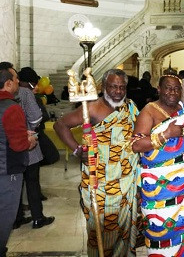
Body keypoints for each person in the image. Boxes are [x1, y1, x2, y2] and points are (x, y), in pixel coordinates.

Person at [54, 69, 140, 257]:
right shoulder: (92, 108)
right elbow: (60, 125)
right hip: (100, 181)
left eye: (122, 87)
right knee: (99, 230)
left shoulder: (131, 106)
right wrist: (77, 150)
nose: (118, 91)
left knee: (123, 229)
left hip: (126, 180)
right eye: (113, 87)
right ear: (103, 87)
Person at [131, 74, 184, 256]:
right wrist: (166, 134)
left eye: (176, 89)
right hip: (157, 189)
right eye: (168, 88)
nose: (172, 92)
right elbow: (136, 145)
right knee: (160, 233)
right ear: (159, 90)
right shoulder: (149, 111)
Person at [0, 62, 37, 257]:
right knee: (4, 218)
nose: (17, 82)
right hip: (7, 173)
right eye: (15, 79)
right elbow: (19, 145)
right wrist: (29, 139)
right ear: (7, 84)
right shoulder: (11, 108)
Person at [14, 67, 55, 229]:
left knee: (16, 183)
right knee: (32, 182)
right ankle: (38, 218)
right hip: (28, 144)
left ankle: (16, 218)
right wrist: (30, 129)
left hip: (11, 147)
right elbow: (37, 116)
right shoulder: (25, 93)